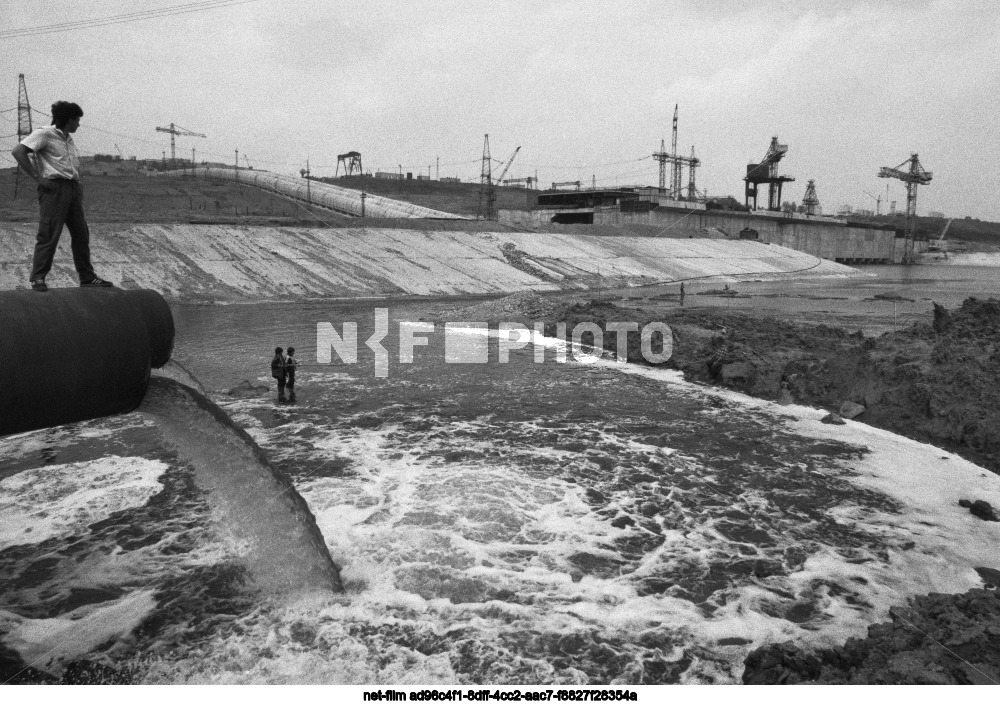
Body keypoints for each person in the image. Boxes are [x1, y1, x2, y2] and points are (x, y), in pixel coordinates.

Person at [10, 101, 114, 292]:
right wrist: (37, 178)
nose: (79, 124)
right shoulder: (45, 134)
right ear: (69, 119)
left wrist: (77, 188)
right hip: (54, 188)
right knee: (49, 233)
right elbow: (18, 151)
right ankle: (38, 278)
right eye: (77, 120)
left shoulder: (68, 139)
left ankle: (87, 277)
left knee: (81, 234)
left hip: (73, 188)